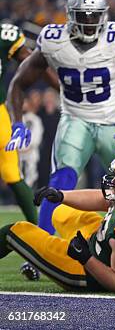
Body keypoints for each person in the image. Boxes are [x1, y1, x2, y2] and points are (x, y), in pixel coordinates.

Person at [7, 0, 115, 238]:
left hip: (114, 122)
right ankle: (42, 243)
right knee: (60, 181)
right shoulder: (54, 41)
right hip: (75, 119)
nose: (89, 21)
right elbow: (18, 84)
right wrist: (17, 123)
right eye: (83, 15)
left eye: (94, 15)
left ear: (104, 14)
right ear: (70, 14)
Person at [0, 146, 115, 294]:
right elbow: (107, 200)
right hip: (103, 245)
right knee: (60, 210)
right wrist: (62, 195)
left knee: (15, 231)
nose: (114, 180)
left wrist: (84, 257)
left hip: (90, 272)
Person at [0, 21, 47, 224]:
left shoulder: (6, 36)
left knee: (11, 172)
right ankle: (36, 229)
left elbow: (30, 60)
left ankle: (36, 228)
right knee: (12, 173)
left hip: (0, 113)